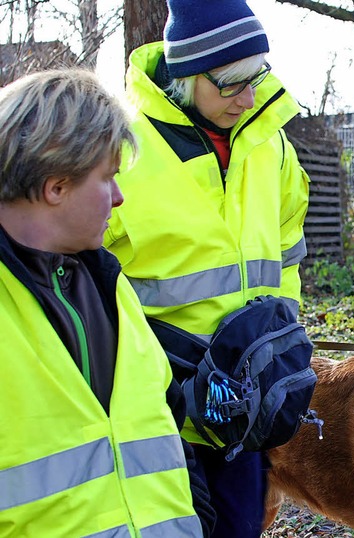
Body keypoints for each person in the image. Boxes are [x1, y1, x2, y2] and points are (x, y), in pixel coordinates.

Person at [103, 0, 311, 536]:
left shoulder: (273, 145)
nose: (248, 98)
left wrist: (279, 342)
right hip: (159, 403)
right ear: (185, 74)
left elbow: (287, 249)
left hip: (245, 399)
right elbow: (84, 271)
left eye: (257, 77)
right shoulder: (121, 147)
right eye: (230, 83)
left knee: (241, 526)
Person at [0, 69, 215, 537]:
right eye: (108, 178)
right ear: (55, 185)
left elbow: (166, 420)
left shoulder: (109, 283)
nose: (119, 199)